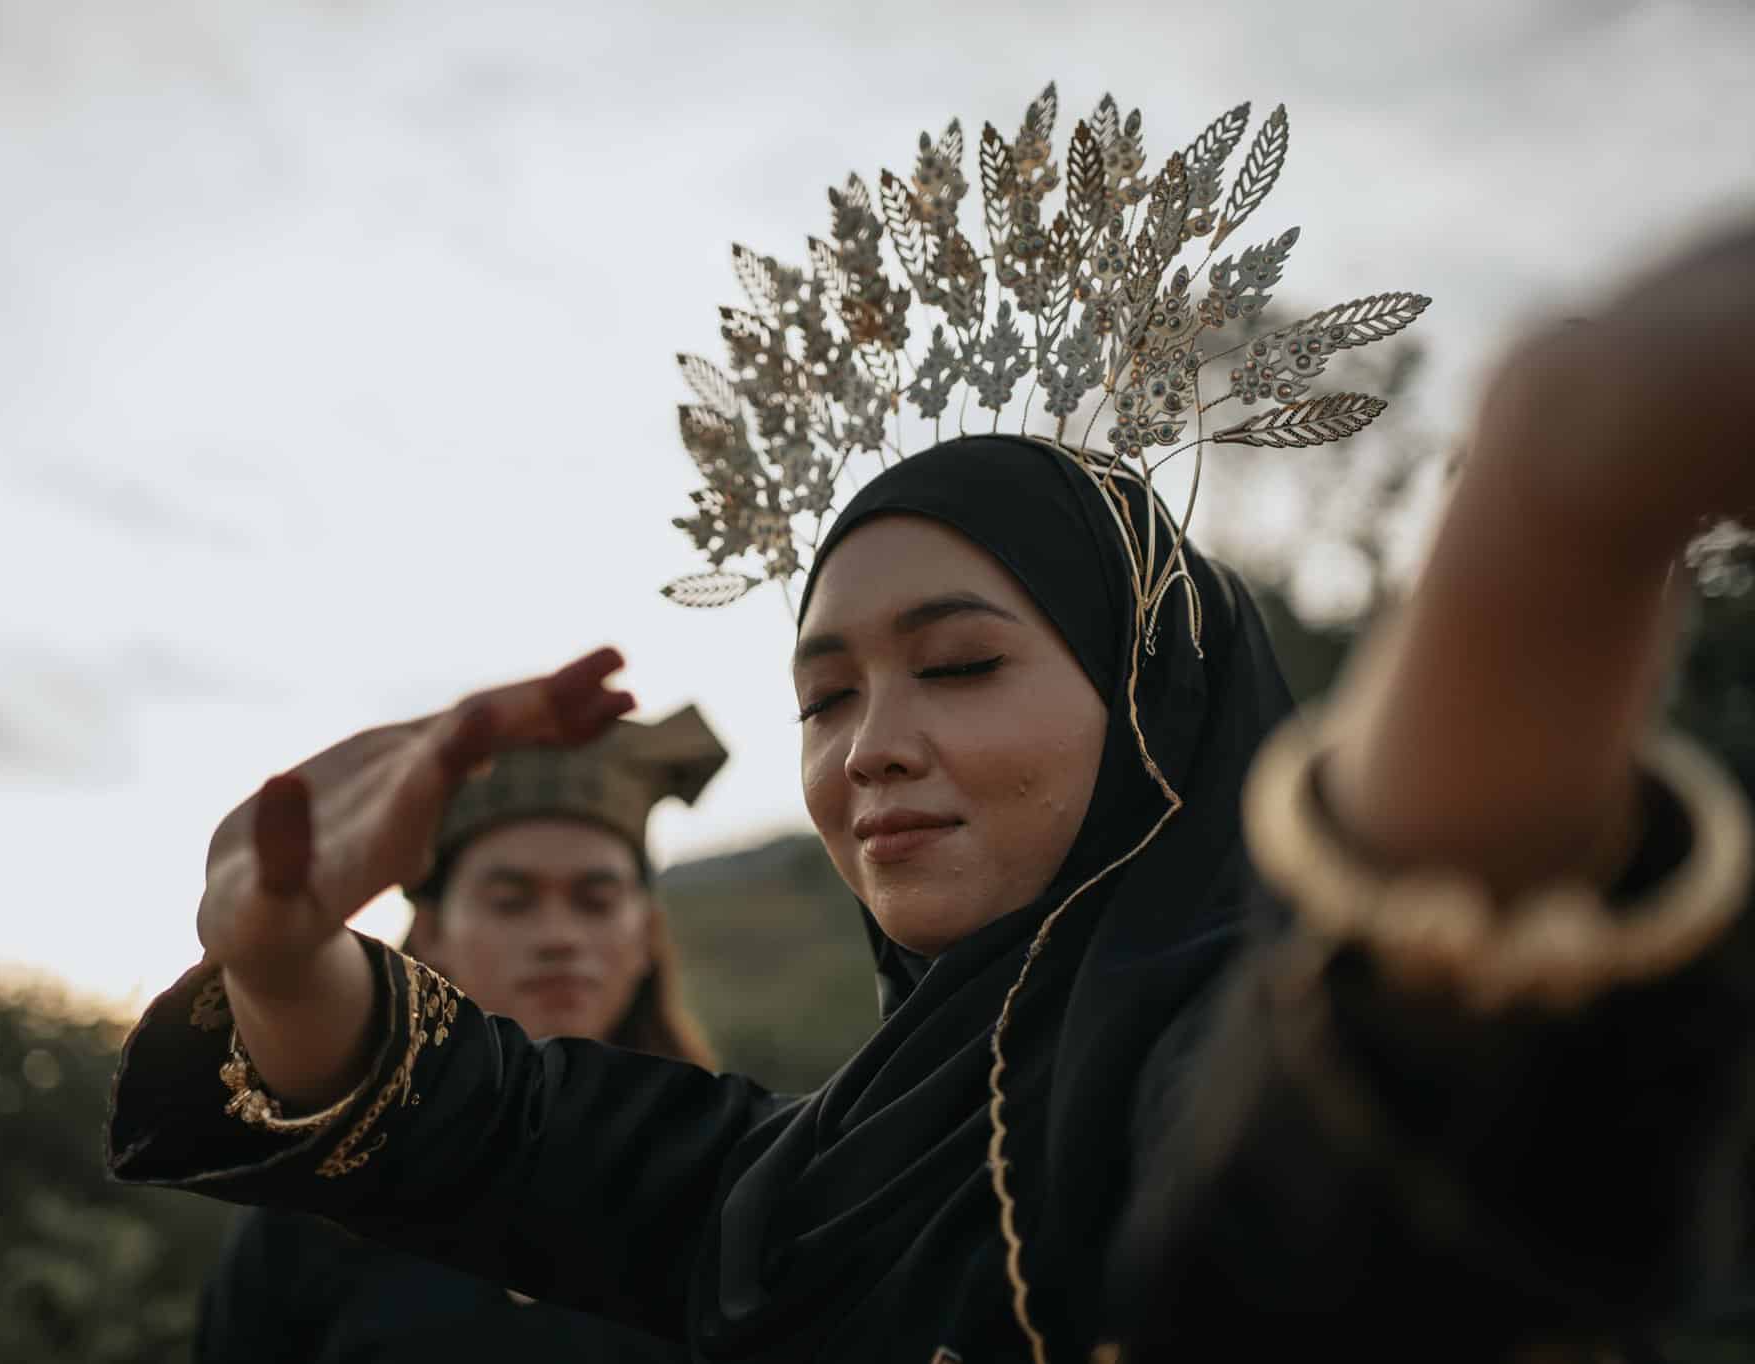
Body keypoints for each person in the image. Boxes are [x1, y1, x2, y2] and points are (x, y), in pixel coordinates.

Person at [108, 87, 1755, 1362]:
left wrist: (1549, 516)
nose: (865, 744)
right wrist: (270, 945)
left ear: (1151, 707)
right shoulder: (799, 1176)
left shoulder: (1211, 1063)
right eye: (822, 692)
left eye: (957, 663)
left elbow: (1364, 1150)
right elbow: (505, 1125)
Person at [192, 707, 727, 1364]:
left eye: (596, 900)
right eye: (511, 900)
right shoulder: (319, 1215)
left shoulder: (729, 1187)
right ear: (434, 935)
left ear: (644, 933)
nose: (559, 936)